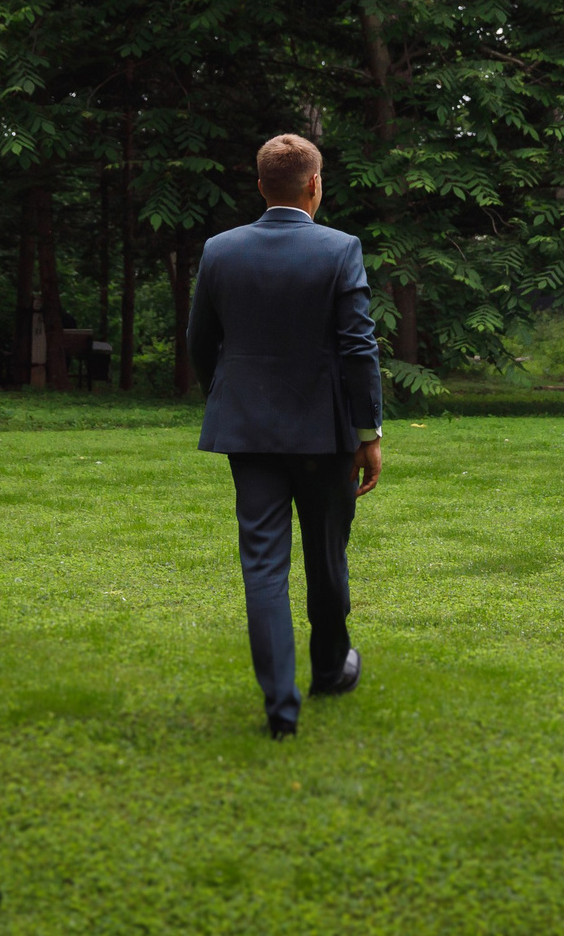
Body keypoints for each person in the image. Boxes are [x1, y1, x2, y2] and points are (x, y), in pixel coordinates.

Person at [185, 133, 385, 737]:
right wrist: (368, 431)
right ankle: (329, 669)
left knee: (263, 566)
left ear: (260, 185)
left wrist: (230, 401)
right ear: (315, 185)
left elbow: (201, 341)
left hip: (249, 433)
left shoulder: (220, 250)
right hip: (326, 436)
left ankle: (280, 709)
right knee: (326, 557)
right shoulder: (339, 249)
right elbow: (358, 348)